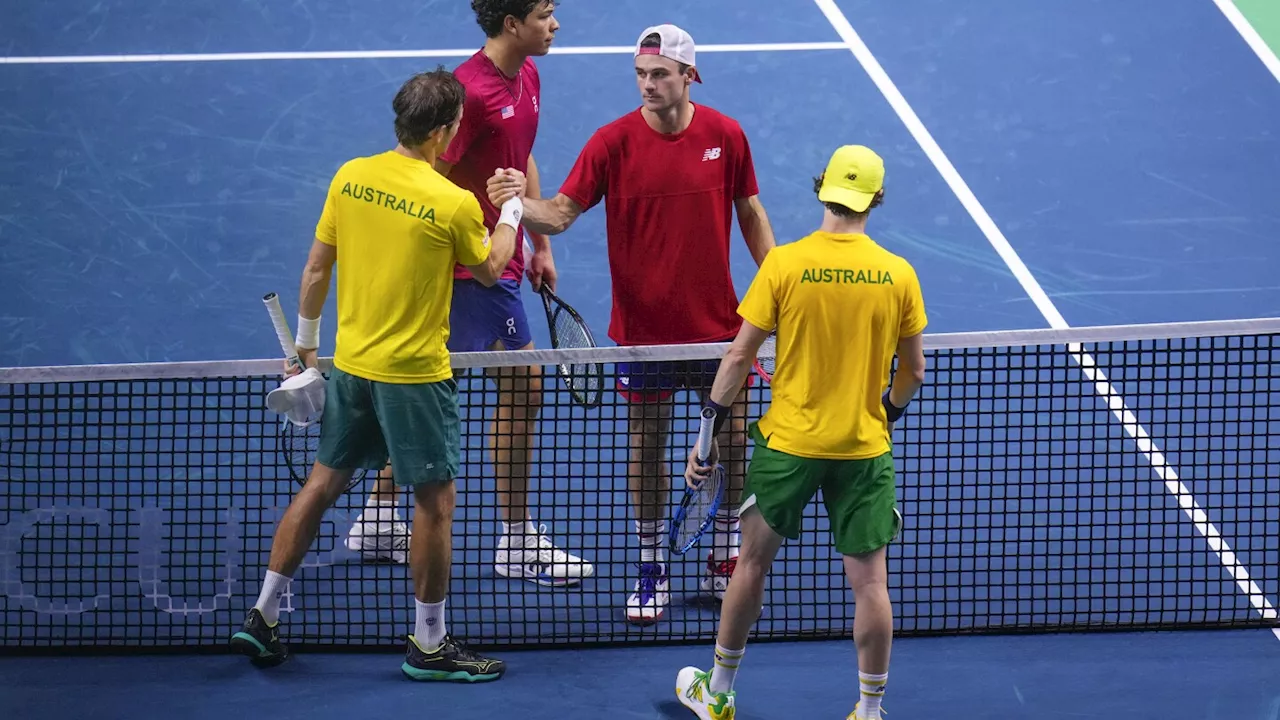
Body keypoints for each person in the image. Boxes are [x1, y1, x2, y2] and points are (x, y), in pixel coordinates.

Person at [229, 69, 521, 682]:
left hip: (352, 369)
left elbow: (315, 269)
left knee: (321, 486)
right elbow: (493, 269)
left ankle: (263, 614)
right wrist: (513, 209)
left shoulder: (350, 176)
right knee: (435, 504)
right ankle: (430, 643)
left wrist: (305, 348)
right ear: (445, 130)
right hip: (414, 377)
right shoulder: (453, 201)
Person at [488, 24, 777, 623]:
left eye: (659, 75)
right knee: (647, 443)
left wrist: (779, 282)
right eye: (641, 75)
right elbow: (561, 213)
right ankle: (652, 564)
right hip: (643, 334)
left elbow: (749, 210)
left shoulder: (725, 135)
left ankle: (723, 549)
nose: (647, 85)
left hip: (720, 328)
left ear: (688, 76)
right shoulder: (611, 143)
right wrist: (516, 204)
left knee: (732, 437)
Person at [671, 145, 928, 720]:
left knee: (751, 565)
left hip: (787, 447)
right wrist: (884, 411)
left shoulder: (784, 265)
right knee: (870, 587)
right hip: (863, 450)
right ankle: (869, 708)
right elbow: (913, 371)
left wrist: (707, 431)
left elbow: (739, 356)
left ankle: (718, 692)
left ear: (823, 189)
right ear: (875, 200)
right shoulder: (898, 275)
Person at [342, 0, 591, 588]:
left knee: (429, 382)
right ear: (513, 24)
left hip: (501, 252)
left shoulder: (526, 72)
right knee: (522, 386)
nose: (555, 25)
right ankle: (516, 540)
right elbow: (427, 174)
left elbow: (518, 153)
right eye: (545, 14)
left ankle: (377, 516)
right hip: (469, 265)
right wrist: (467, 251)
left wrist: (540, 244)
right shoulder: (468, 94)